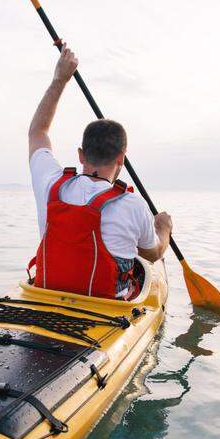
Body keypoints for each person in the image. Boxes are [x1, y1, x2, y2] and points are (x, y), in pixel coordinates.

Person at [26, 42, 172, 299]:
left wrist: (60, 80)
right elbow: (154, 253)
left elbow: (38, 132)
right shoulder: (133, 204)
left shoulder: (51, 184)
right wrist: (164, 228)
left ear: (80, 154)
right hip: (108, 309)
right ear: (121, 159)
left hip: (47, 298)